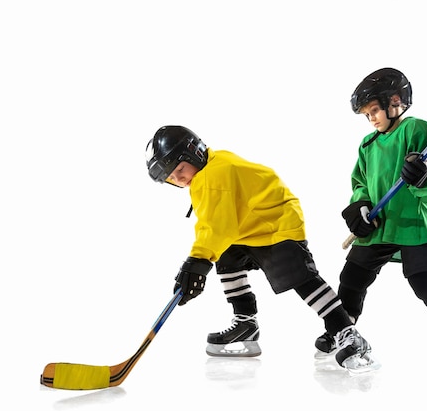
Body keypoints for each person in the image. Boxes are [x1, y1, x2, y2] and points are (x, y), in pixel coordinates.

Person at [145, 125, 377, 373]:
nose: (179, 179)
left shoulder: (213, 175)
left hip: (276, 223)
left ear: (194, 153)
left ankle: (347, 332)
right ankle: (246, 323)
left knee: (301, 279)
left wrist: (196, 262)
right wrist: (199, 261)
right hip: (248, 227)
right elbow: (218, 225)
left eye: (180, 169)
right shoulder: (208, 170)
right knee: (226, 258)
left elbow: (215, 227)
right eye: (171, 178)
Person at [314, 68, 427, 374]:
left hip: (413, 222)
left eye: (374, 110)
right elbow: (359, 182)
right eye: (366, 114)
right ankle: (343, 330)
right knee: (352, 278)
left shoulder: (415, 128)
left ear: (394, 102)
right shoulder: (367, 145)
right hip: (379, 224)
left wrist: (422, 174)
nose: (371, 118)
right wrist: (359, 205)